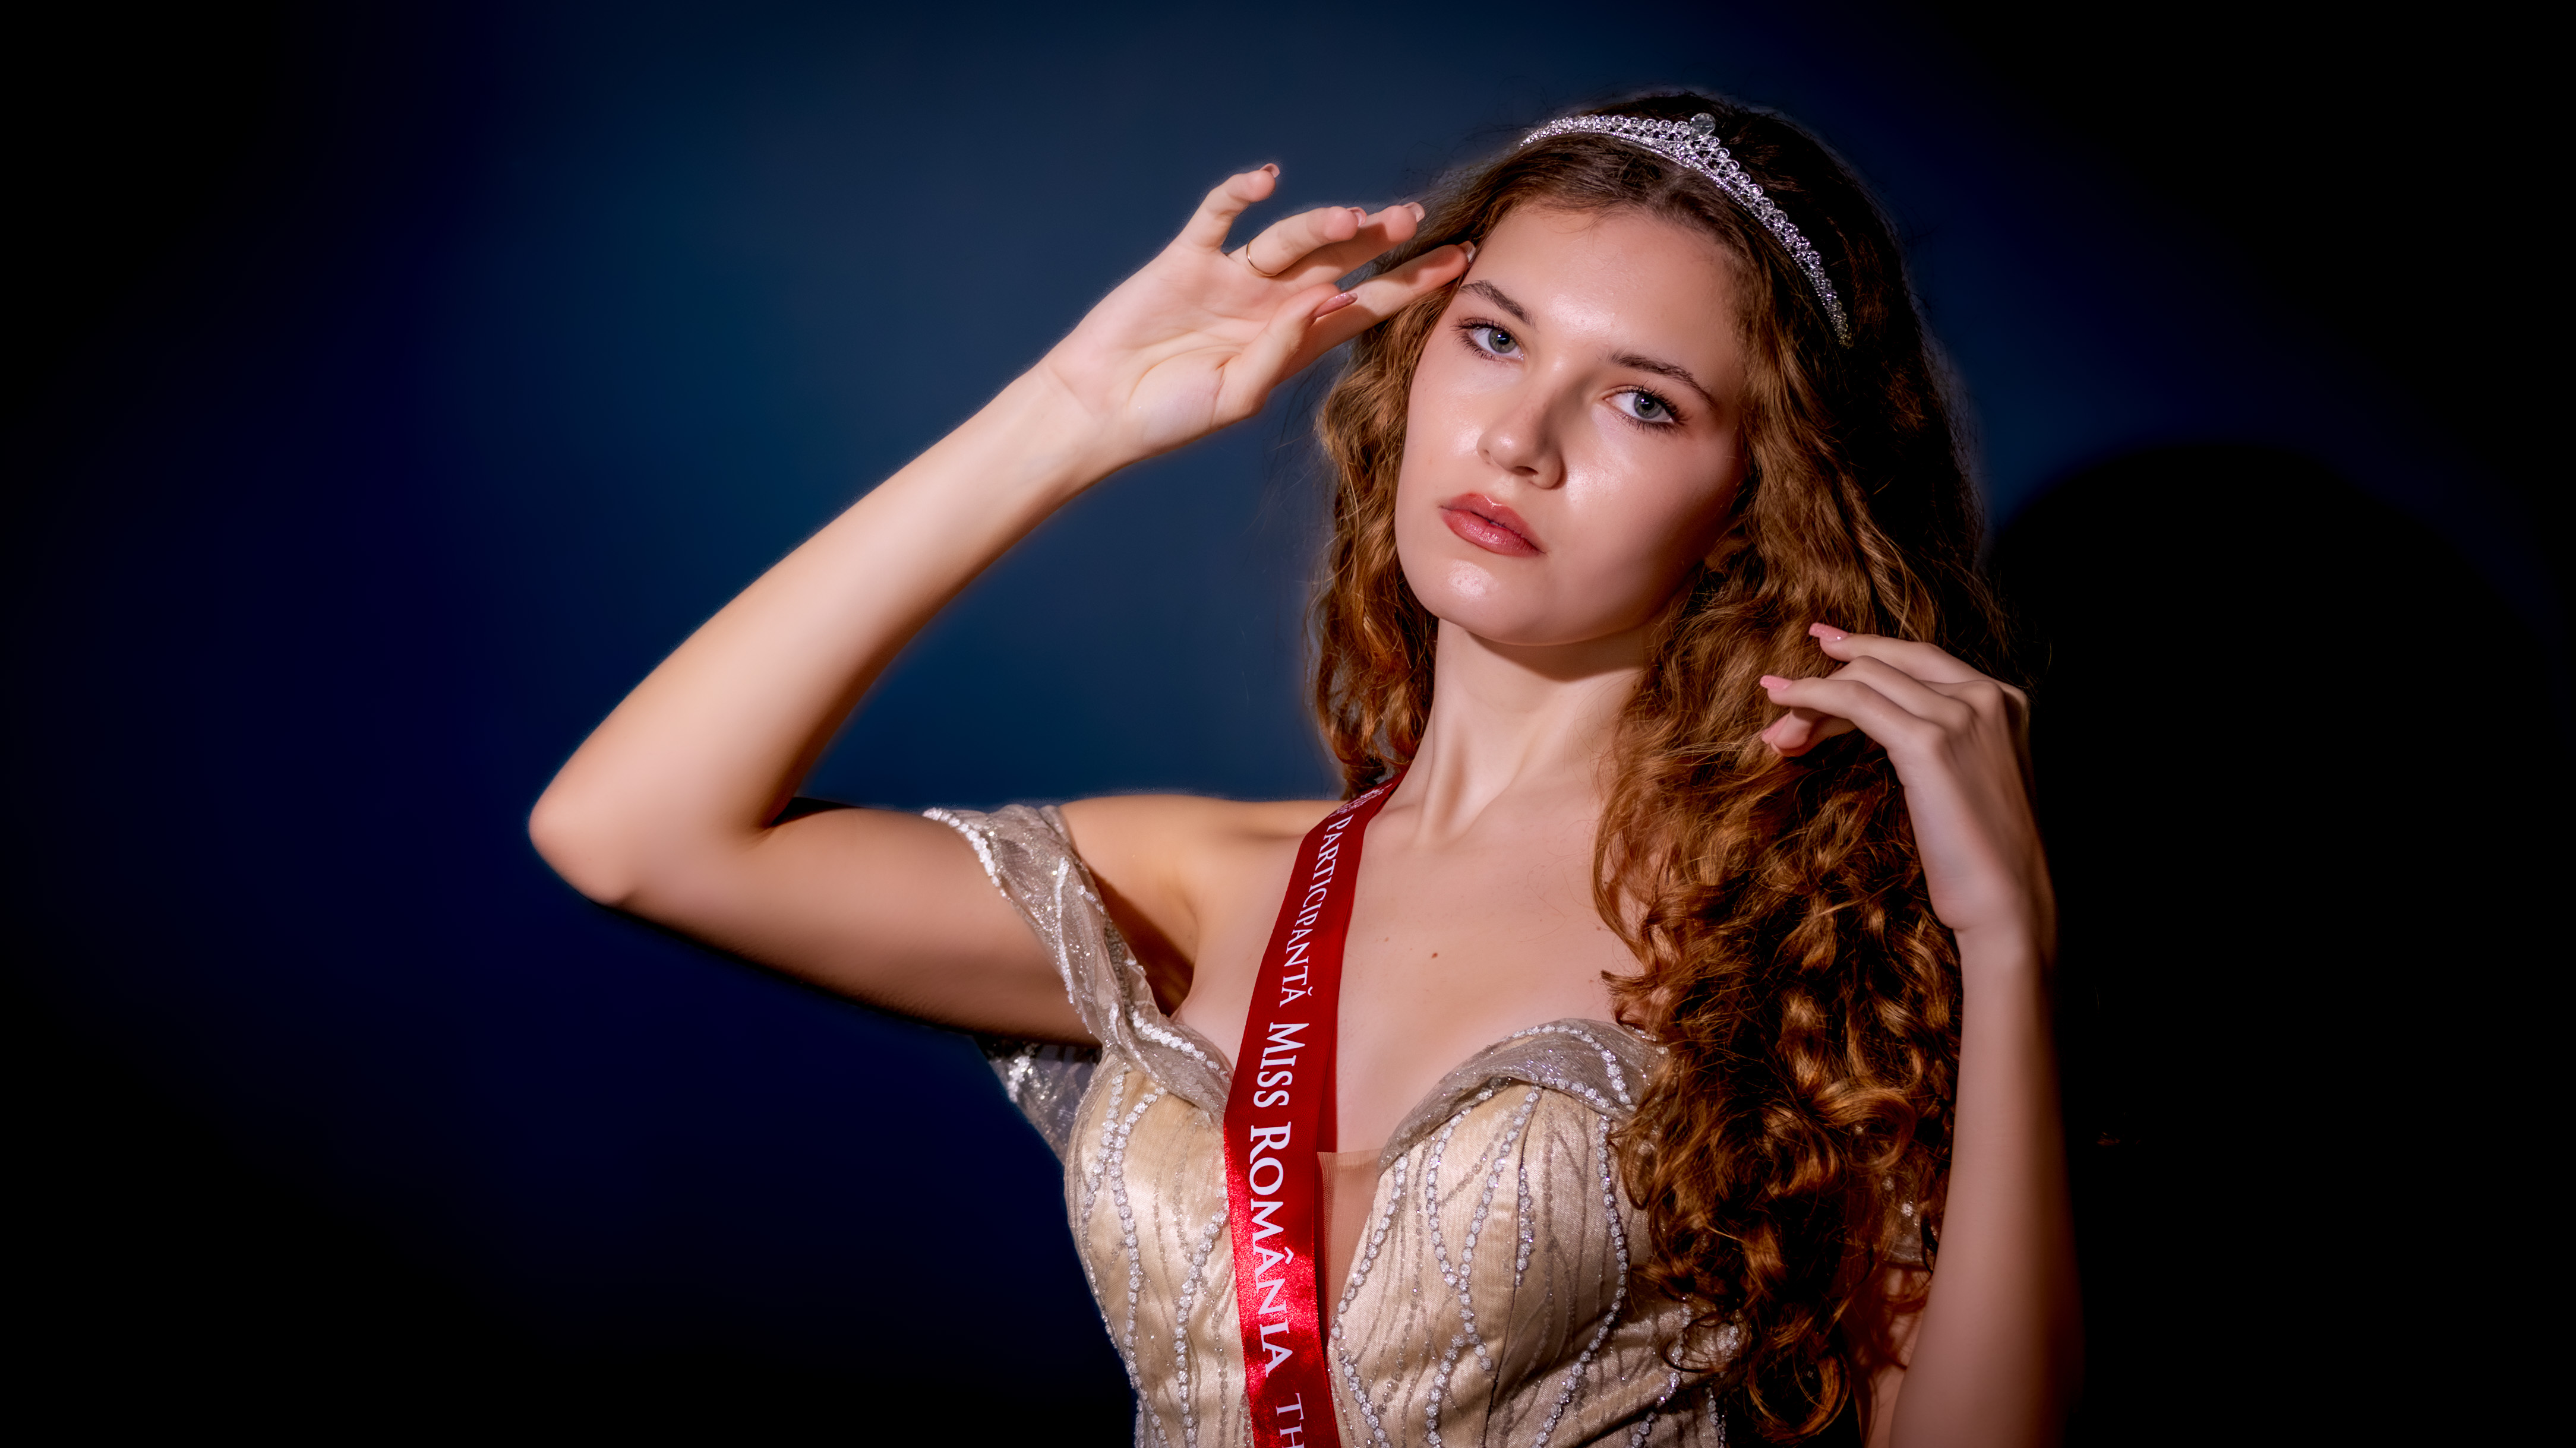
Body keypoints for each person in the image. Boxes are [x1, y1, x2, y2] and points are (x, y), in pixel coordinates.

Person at [530, 91, 2079, 1447]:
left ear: (1757, 498)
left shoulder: (1791, 934)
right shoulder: (1202, 885)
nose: (1520, 439)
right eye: (1493, 337)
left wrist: (2004, 942)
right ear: (1415, 364)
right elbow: (631, 835)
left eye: (1642, 400)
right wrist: (1066, 418)